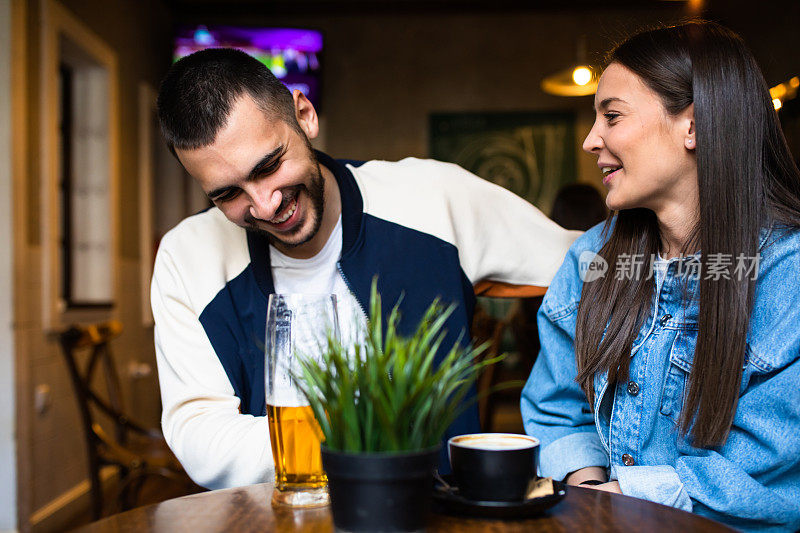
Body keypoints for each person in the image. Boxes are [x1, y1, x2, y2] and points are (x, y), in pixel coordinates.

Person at [152, 48, 579, 490]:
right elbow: (203, 439)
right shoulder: (186, 257)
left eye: (269, 166)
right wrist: (368, 435)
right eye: (227, 194)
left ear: (305, 115)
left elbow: (596, 267)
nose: (265, 204)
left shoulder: (433, 197)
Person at [521, 21, 800, 532]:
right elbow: (559, 407)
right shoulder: (593, 258)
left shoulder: (789, 275)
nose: (590, 140)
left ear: (692, 126)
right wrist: (590, 502)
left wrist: (619, 503)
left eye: (612, 116)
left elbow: (763, 463)